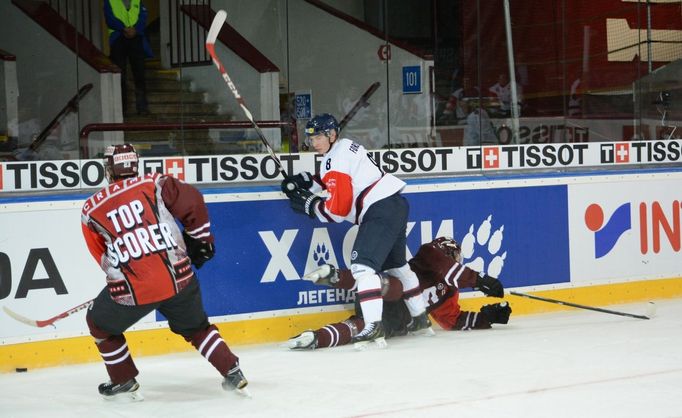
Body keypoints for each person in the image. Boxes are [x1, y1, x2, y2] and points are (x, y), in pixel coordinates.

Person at [81, 144, 248, 400]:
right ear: (135, 164)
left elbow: (101, 257)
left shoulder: (91, 209)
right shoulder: (155, 182)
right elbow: (192, 199)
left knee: (98, 322)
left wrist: (124, 274)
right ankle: (232, 370)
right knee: (196, 328)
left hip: (136, 289)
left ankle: (123, 379)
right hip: (179, 276)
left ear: (109, 169)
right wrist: (200, 239)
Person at [281, 113, 432, 349]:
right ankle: (421, 319)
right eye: (311, 138)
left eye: (319, 136)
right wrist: (305, 181)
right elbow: (331, 181)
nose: (314, 142)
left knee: (362, 268)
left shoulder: (335, 160)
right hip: (395, 205)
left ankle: (374, 326)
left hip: (379, 210)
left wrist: (311, 205)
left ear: (332, 135)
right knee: (398, 265)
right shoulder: (344, 149)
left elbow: (337, 211)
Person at [285, 237, 510, 350]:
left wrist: (486, 318)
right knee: (393, 286)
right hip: (384, 292)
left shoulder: (448, 292)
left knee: (360, 328)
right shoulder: (428, 253)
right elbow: (448, 269)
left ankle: (315, 338)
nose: (456, 262)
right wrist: (479, 279)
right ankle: (337, 277)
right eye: (455, 257)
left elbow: (454, 320)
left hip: (391, 320)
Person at [104, 0, 152, 115]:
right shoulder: (110, 1)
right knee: (120, 75)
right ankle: (122, 109)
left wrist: (135, 29)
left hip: (136, 38)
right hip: (118, 38)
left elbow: (143, 16)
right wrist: (124, 28)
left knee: (139, 73)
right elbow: (109, 18)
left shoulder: (137, 0)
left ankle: (142, 108)